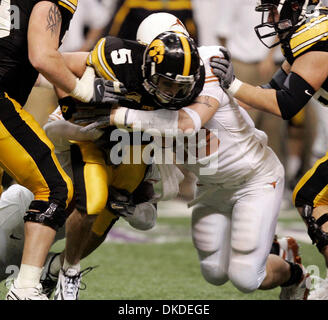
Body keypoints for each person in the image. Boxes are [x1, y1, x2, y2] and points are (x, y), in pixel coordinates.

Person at [96, 14, 311, 299]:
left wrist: (117, 114)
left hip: (254, 180)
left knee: (247, 278)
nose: (173, 77)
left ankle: (295, 274)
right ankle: (272, 248)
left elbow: (187, 124)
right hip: (210, 185)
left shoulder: (209, 65)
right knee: (214, 272)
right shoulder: (142, 85)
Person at [210, 0, 328, 287]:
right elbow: (273, 89)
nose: (271, 17)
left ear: (301, 6)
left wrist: (234, 84)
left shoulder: (319, 38)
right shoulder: (306, 36)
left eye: (276, 8)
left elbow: (286, 104)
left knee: (312, 197)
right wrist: (216, 100)